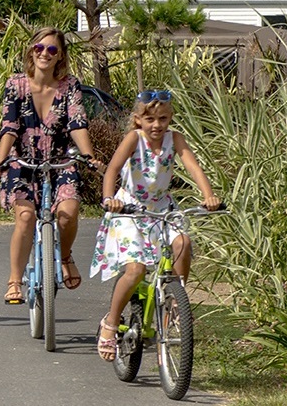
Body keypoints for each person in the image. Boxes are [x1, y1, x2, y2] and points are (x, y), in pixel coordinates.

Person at [90, 89, 221, 361]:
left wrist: (208, 195)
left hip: (162, 206)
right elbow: (113, 169)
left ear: (170, 118)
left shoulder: (175, 139)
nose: (157, 125)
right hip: (130, 208)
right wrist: (109, 198)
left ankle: (174, 307)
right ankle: (110, 323)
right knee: (135, 270)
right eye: (150, 119)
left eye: (163, 118)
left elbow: (194, 168)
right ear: (138, 120)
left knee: (183, 243)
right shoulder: (133, 140)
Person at [0, 27, 101, 305]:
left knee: (68, 212)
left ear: (60, 55)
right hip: (22, 162)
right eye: (39, 48)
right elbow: (10, 126)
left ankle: (63, 256)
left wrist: (88, 156)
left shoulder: (70, 85)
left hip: (59, 162)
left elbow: (77, 123)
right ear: (31, 51)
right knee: (25, 217)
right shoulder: (16, 84)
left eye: (52, 49)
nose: (45, 54)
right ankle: (15, 280)